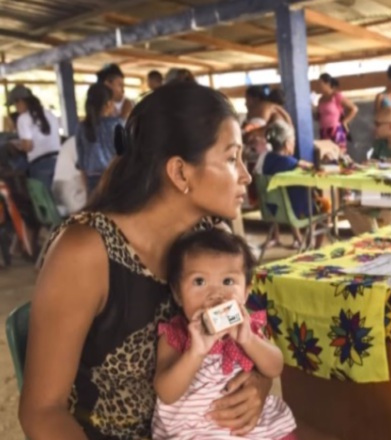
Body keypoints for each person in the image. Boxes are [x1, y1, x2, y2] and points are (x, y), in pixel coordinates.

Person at [19, 83, 272, 439]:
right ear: (180, 173)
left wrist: (257, 386)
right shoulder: (86, 251)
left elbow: (254, 331)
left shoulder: (208, 238)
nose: (245, 175)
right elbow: (42, 412)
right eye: (231, 159)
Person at [152, 228, 296, 439]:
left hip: (250, 429)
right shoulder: (176, 334)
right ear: (177, 293)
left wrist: (249, 340)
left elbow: (275, 366)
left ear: (246, 292)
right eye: (199, 281)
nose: (215, 294)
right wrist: (196, 353)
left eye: (228, 281)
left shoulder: (248, 328)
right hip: (196, 431)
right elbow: (166, 392)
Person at [342, 107, 391, 235]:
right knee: (351, 208)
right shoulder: (380, 144)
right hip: (380, 194)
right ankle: (371, 240)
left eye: (378, 124)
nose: (374, 128)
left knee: (389, 211)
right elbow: (373, 165)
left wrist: (383, 162)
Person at [260, 120, 330, 249]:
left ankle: (306, 241)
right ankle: (315, 248)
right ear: (287, 144)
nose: (294, 144)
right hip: (296, 212)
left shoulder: (267, 160)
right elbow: (314, 169)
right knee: (325, 205)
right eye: (293, 141)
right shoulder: (291, 163)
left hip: (274, 211)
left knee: (308, 199)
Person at [8, 85, 61, 192]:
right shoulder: (50, 114)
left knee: (46, 203)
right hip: (59, 161)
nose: (16, 108)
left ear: (21, 102)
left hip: (40, 164)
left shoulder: (23, 119)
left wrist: (19, 145)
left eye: (15, 104)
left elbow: (28, 146)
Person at [76, 83, 124, 194]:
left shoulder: (82, 127)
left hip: (92, 181)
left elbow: (82, 164)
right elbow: (124, 156)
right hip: (114, 178)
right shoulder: (117, 124)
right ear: (108, 104)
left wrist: (87, 189)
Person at [316, 73, 358, 152]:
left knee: (339, 154)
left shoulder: (336, 96)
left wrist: (345, 122)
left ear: (327, 84)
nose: (319, 86)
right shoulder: (320, 99)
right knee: (327, 155)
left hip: (335, 130)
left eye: (321, 83)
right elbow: (318, 116)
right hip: (323, 131)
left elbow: (354, 108)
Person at [51, 136, 87, 216]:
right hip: (69, 184)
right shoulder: (86, 141)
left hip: (59, 185)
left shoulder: (76, 138)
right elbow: (83, 171)